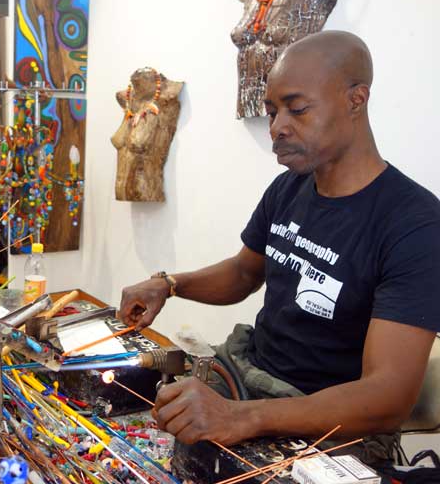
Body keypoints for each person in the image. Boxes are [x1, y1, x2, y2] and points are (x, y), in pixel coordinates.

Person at [119, 30, 440, 464]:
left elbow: (387, 397)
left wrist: (245, 417)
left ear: (356, 99)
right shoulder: (290, 188)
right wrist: (169, 284)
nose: (277, 128)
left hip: (330, 421)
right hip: (252, 373)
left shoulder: (415, 223)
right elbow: (244, 273)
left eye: (297, 109)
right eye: (271, 111)